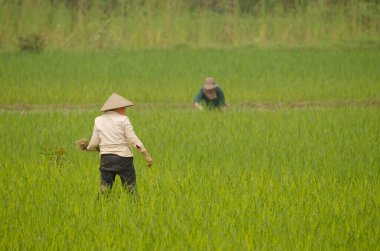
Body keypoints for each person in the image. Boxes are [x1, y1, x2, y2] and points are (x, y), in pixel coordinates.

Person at [81, 93, 153, 196]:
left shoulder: (98, 120)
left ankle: (100, 208)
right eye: (124, 108)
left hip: (106, 159)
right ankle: (134, 208)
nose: (125, 110)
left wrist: (88, 148)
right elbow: (134, 140)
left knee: (104, 190)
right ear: (118, 108)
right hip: (124, 159)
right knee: (131, 190)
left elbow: (94, 143)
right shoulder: (123, 120)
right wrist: (147, 156)